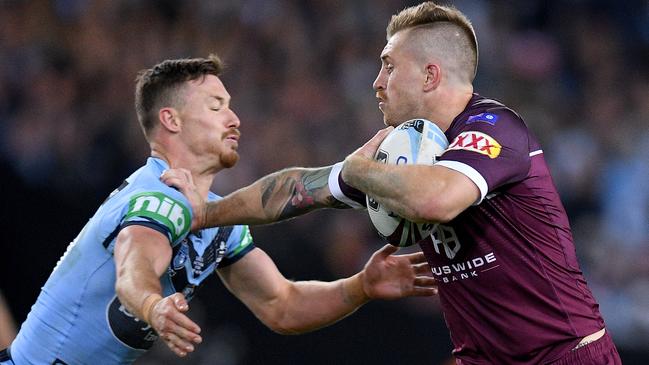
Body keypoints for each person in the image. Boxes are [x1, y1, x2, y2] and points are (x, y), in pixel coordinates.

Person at [162, 2, 621, 364]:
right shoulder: (406, 152)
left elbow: (437, 200)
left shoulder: (495, 128)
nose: (377, 82)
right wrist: (206, 213)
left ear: (430, 74)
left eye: (388, 65)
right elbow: (299, 188)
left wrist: (357, 168)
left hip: (565, 355)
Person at [0, 55, 438, 365]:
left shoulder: (215, 218)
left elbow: (281, 305)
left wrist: (361, 285)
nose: (235, 119)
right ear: (171, 120)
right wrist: (153, 307)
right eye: (216, 106)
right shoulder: (157, 196)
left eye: (230, 105)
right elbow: (133, 269)